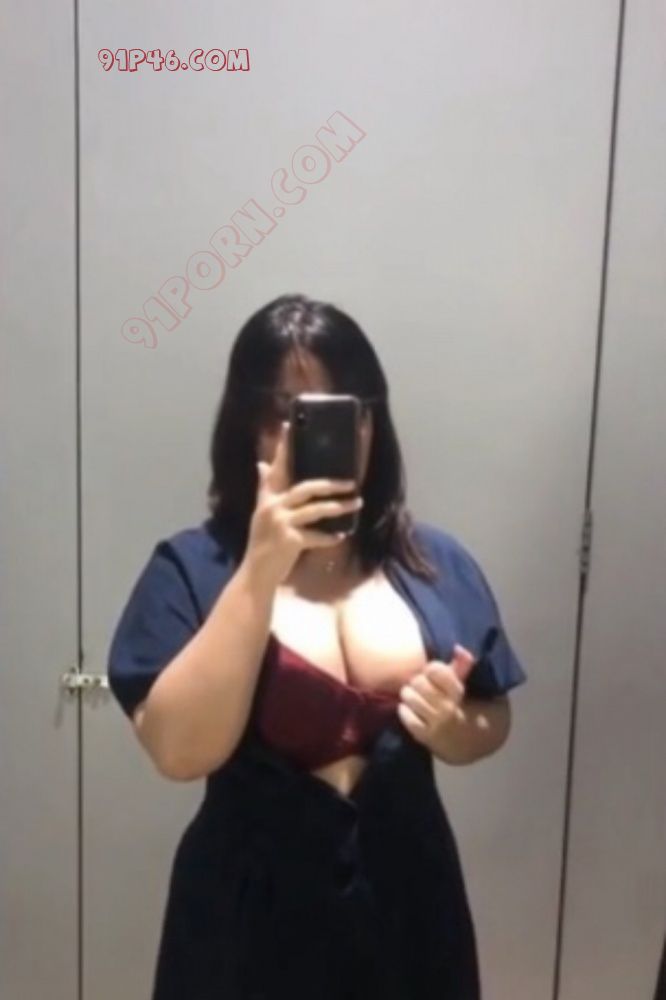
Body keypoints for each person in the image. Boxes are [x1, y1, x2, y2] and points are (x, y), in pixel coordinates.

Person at [107, 293, 527, 1000]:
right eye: (285, 411)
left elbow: (494, 714)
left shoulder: (433, 562)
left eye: (344, 408)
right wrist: (261, 567)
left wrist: (456, 729)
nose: (316, 432)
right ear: (248, 424)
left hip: (410, 903)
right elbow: (178, 752)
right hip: (247, 915)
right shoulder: (193, 569)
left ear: (370, 422)